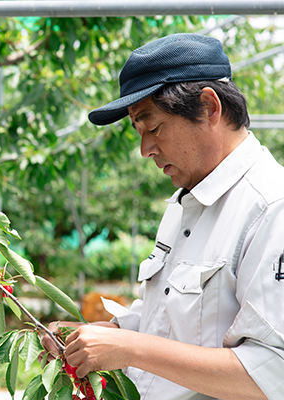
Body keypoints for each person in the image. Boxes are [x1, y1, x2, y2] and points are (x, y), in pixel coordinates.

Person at [42, 33, 284, 400]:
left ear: (208, 107)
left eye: (153, 128)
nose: (145, 150)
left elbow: (271, 374)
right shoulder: (186, 204)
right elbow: (173, 319)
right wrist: (100, 333)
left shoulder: (269, 207)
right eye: (139, 133)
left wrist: (127, 348)